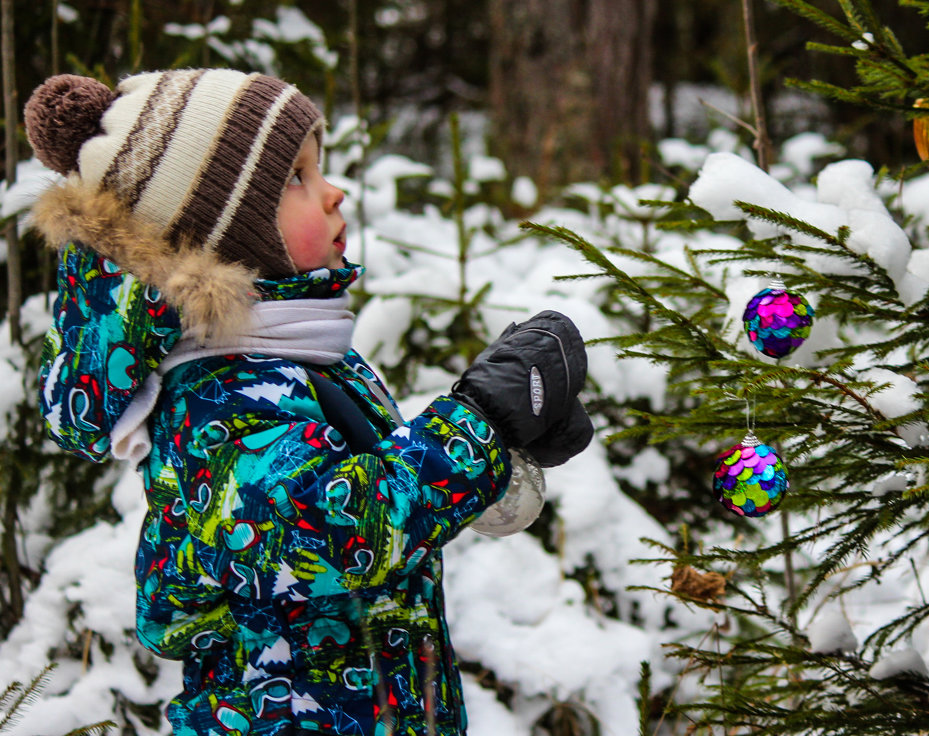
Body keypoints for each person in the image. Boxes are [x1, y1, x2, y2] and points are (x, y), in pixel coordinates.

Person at [24, 69, 593, 735]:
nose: (333, 192)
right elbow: (327, 528)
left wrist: (496, 452)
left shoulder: (301, 354)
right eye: (297, 177)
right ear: (223, 235)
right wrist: (476, 423)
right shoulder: (218, 397)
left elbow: (383, 494)